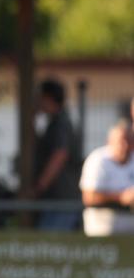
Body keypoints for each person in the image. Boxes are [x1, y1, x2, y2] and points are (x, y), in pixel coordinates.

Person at [32, 79, 80, 230]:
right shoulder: (54, 122)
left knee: (50, 247)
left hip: (61, 201)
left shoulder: (61, 124)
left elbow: (60, 155)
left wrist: (39, 187)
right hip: (56, 200)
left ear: (47, 98)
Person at [79, 120, 134, 237]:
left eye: (129, 140)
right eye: (121, 141)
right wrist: (121, 197)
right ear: (109, 142)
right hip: (103, 235)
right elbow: (89, 197)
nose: (125, 145)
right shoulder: (98, 160)